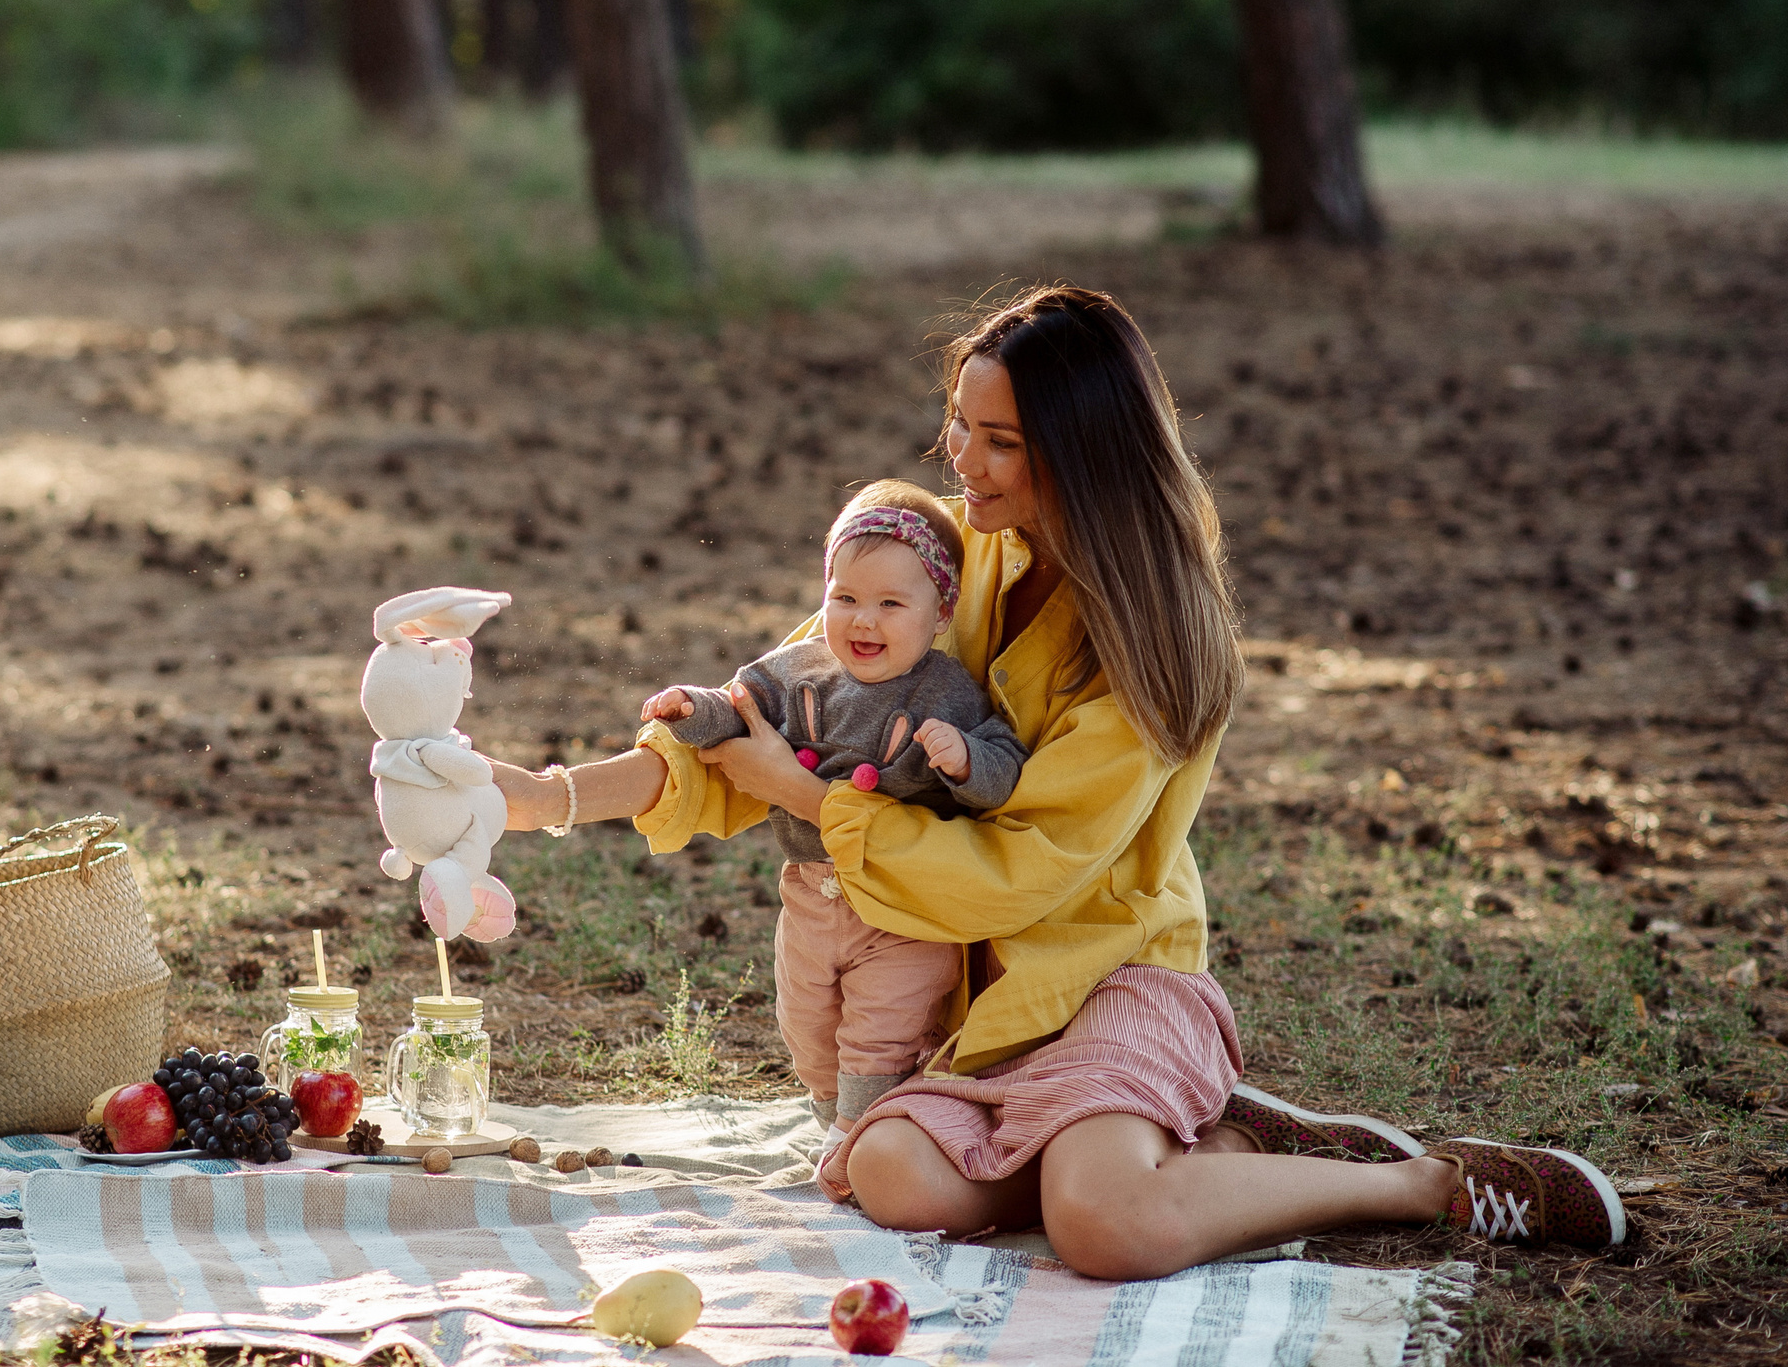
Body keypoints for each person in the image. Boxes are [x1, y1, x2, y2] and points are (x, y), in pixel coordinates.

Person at [490, 286, 1625, 1278]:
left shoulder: (1153, 644)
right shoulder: (953, 550)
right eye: (958, 427)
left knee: (1101, 1226)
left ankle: (1408, 1181)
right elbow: (789, 711)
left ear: (1080, 450)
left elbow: (1014, 873)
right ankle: (1163, 1149)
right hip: (973, 995)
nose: (961, 463)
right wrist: (539, 795)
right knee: (886, 1169)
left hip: (1105, 972)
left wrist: (798, 795)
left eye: (1000, 441)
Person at [640, 477, 1029, 1159]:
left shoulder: (947, 691)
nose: (863, 620)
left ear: (940, 613)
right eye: (844, 598)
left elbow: (1005, 768)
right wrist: (692, 708)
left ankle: (859, 1131)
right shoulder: (803, 671)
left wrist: (964, 758)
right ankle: (832, 1114)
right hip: (810, 894)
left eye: (889, 603)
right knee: (806, 1023)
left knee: (880, 1030)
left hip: (900, 907)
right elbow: (743, 704)